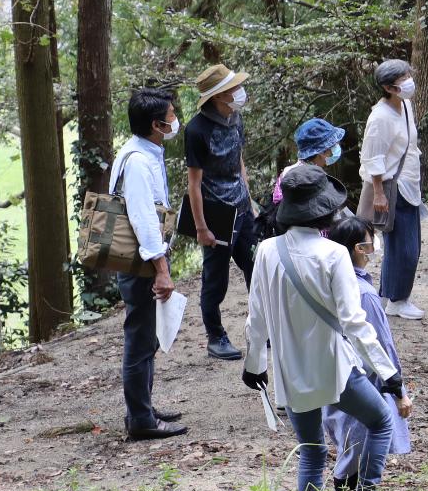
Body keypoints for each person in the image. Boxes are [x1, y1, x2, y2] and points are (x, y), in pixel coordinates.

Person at [242, 164, 401, 491]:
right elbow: (354, 322)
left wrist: (255, 365)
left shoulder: (267, 252)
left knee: (312, 454)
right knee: (381, 420)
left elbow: (256, 320)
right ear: (325, 212)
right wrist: (389, 374)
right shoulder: (334, 254)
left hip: (292, 371)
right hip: (335, 369)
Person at [114, 87, 187, 442]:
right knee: (140, 341)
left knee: (145, 340)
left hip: (142, 260)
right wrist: (161, 269)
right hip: (141, 263)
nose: (176, 121)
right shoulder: (139, 162)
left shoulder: (140, 151)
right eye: (172, 116)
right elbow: (144, 219)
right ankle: (141, 420)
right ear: (157, 124)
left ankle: (141, 409)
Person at [323, 214, 411, 491]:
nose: (375, 246)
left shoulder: (330, 282)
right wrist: (397, 388)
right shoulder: (365, 295)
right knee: (364, 439)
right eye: (371, 241)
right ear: (359, 249)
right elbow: (382, 345)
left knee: (348, 443)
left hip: (333, 375)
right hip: (364, 379)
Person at [180, 63, 251, 361]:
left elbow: (239, 161)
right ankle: (215, 336)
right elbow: (193, 183)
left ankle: (263, 327)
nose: (239, 93)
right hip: (216, 213)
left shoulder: (236, 118)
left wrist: (251, 201)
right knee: (215, 279)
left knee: (256, 267)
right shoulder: (197, 130)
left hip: (242, 207)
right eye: (233, 89)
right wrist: (201, 227)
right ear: (219, 96)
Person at [360, 58, 424, 320]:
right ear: (388, 87)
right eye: (402, 79)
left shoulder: (406, 105)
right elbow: (373, 158)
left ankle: (389, 295)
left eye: (409, 74)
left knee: (401, 244)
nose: (409, 81)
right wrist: (378, 193)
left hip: (409, 181)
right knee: (405, 247)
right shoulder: (380, 117)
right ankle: (398, 300)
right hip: (390, 186)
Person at [258, 118, 350, 239]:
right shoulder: (309, 178)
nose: (336, 148)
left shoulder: (291, 172)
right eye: (333, 145)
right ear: (322, 151)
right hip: (309, 240)